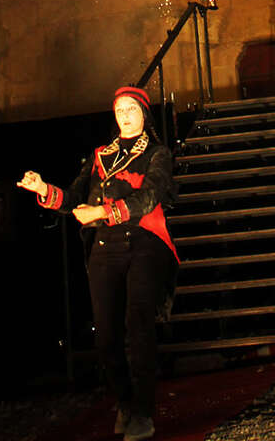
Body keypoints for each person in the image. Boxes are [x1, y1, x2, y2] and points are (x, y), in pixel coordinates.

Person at [17, 86, 178, 441]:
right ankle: (124, 402)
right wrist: (44, 189)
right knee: (105, 337)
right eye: (119, 109)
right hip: (105, 247)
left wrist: (104, 211)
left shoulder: (157, 153)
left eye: (131, 108)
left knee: (138, 327)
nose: (124, 114)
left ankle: (143, 413)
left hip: (143, 244)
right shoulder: (100, 155)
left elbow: (149, 196)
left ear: (144, 114)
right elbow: (74, 197)